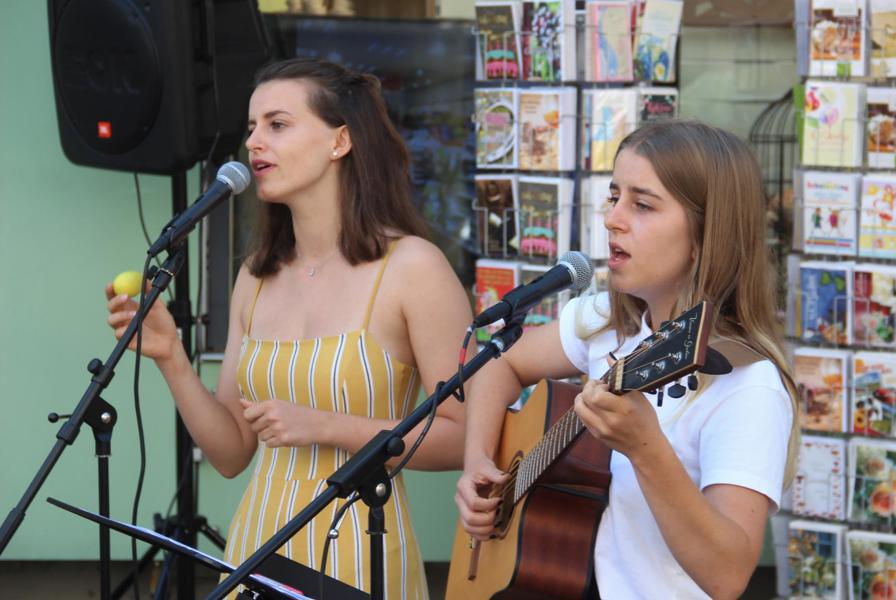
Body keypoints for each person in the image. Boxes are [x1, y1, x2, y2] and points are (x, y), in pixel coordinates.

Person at [106, 58, 473, 598]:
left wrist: (325, 425)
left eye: (277, 125)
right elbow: (231, 454)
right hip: (255, 549)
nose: (254, 142)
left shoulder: (413, 268)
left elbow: (465, 437)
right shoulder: (255, 275)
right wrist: (172, 358)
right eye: (252, 127)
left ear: (340, 141)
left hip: (359, 553)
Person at [455, 121, 800, 599]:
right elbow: (498, 363)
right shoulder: (601, 322)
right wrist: (477, 465)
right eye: (614, 197)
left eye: (642, 204)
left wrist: (646, 449)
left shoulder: (748, 386)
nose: (612, 219)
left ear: (706, 233)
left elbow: (729, 575)